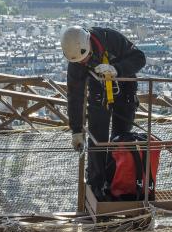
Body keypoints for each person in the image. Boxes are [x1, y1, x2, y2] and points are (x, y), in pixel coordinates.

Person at [61, 26, 146, 200]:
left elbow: (139, 58)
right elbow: (75, 96)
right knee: (97, 141)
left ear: (89, 43)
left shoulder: (109, 38)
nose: (84, 64)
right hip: (99, 96)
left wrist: (117, 69)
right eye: (80, 62)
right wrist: (76, 130)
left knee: (120, 140)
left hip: (125, 92)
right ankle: (96, 186)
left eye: (87, 59)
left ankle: (117, 183)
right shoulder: (76, 61)